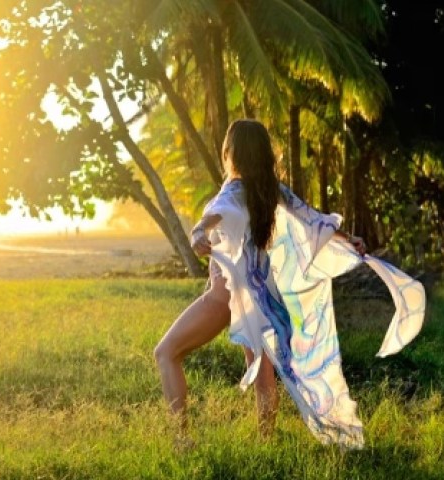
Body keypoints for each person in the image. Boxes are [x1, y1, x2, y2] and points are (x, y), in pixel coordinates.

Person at [154, 119, 425, 449]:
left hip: (224, 298)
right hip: (261, 299)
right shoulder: (271, 191)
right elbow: (312, 219)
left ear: (231, 153)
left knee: (166, 352)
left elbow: (217, 213)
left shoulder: (234, 190)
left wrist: (198, 232)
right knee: (263, 373)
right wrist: (349, 237)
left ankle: (182, 439)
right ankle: (266, 443)